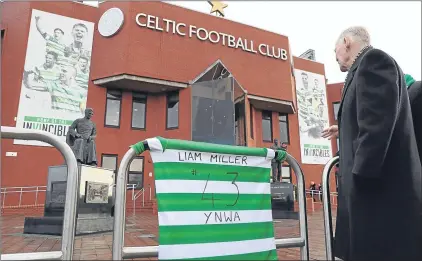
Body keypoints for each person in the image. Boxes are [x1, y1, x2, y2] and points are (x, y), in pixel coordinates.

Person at [331, 26, 421, 261]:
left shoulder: (373, 61)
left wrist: (359, 178)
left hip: (376, 194)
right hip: (371, 192)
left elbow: (376, 128)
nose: (335, 55)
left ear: (347, 42)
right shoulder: (364, 68)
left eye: (336, 49)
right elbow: (372, 117)